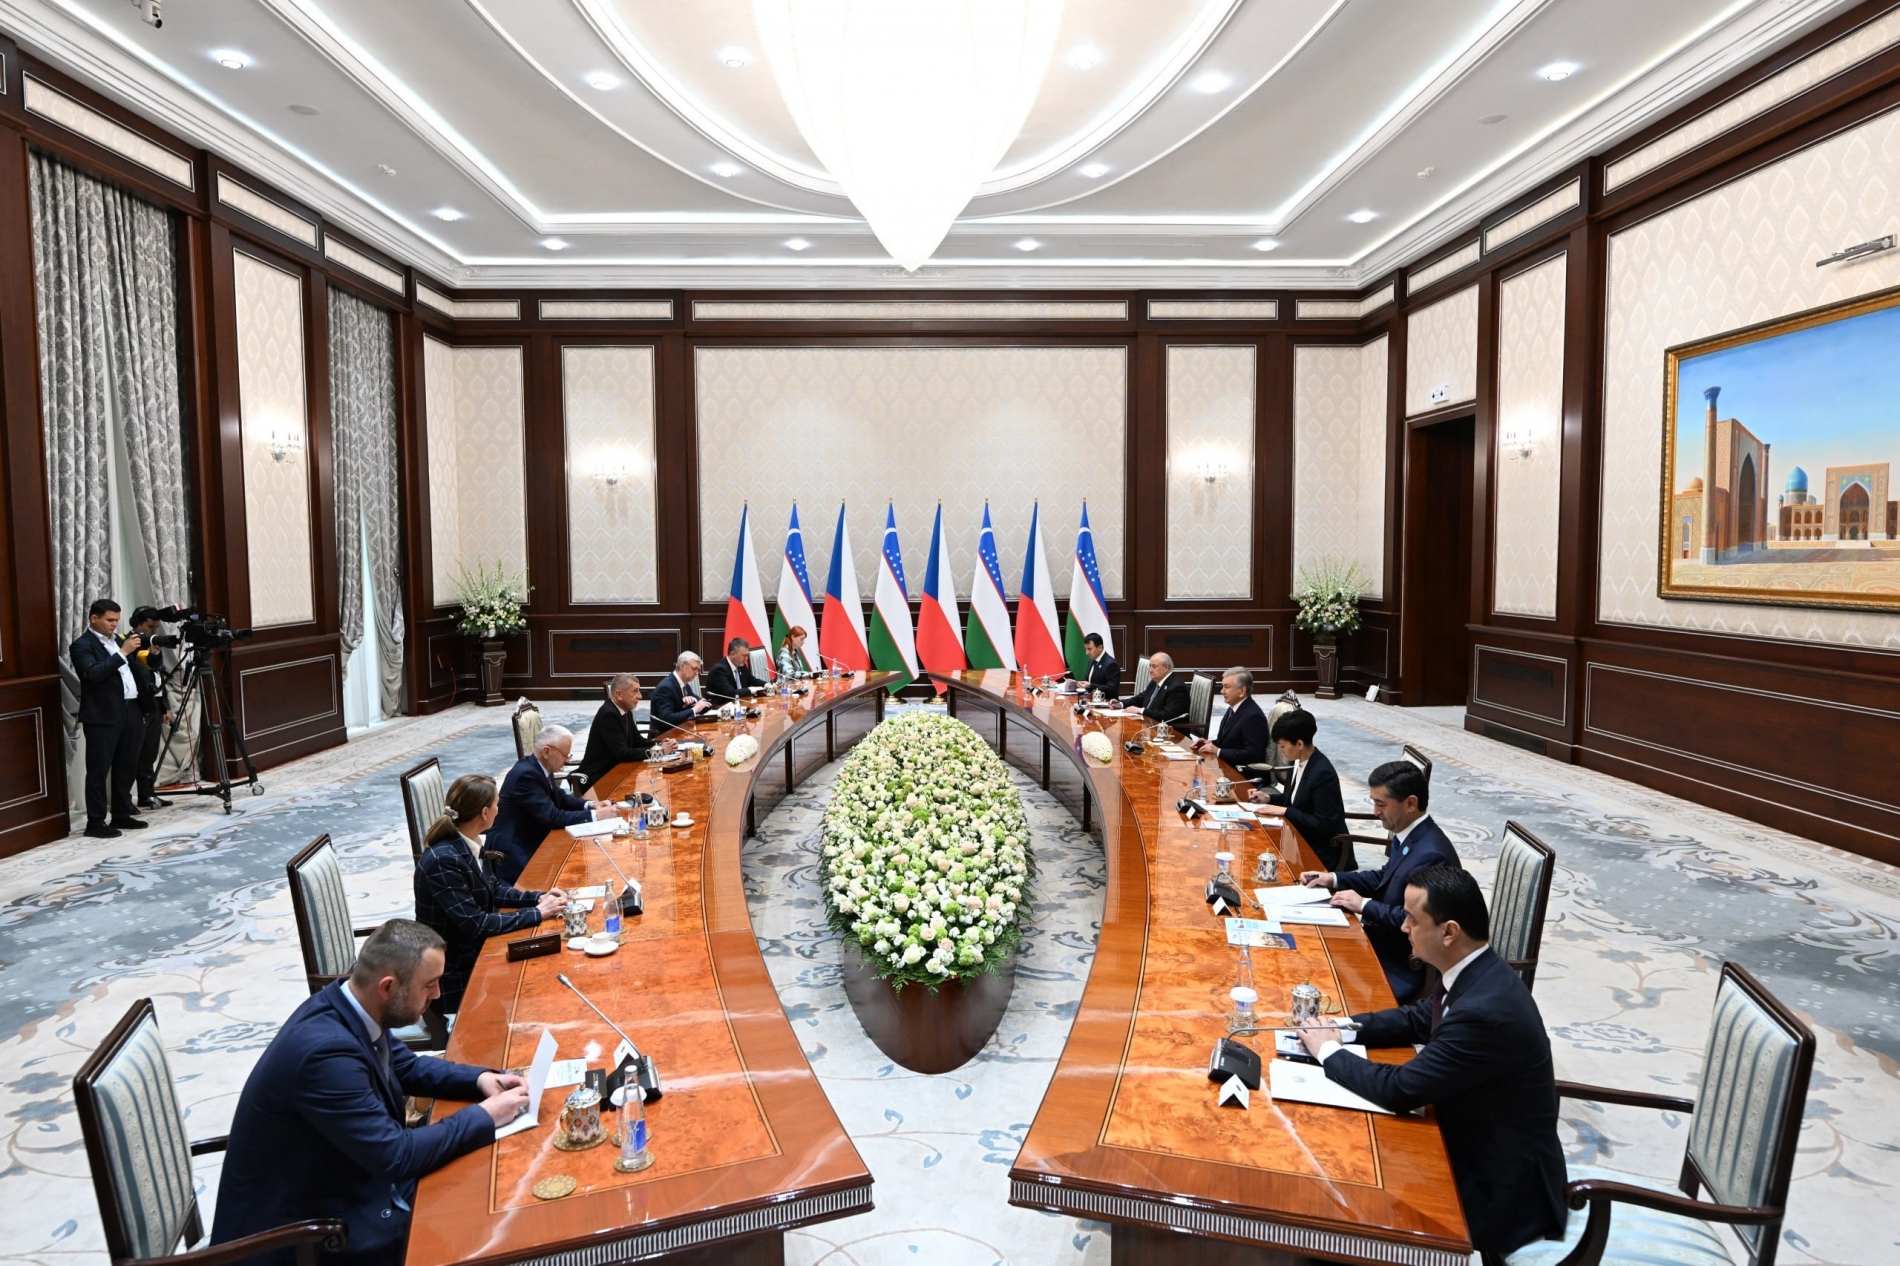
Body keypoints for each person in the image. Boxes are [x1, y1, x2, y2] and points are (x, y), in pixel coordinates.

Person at [211, 920, 531, 1266]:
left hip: (348, 1185)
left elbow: (406, 1067)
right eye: (429, 984)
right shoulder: (325, 1055)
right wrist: (485, 1115)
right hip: (304, 1238)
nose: (437, 994)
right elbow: (396, 1156)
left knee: (484, 1188)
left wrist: (480, 1079)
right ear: (388, 987)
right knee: (485, 1223)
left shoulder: (348, 1006)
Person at [1297, 865, 1565, 1263]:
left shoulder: (1485, 1012)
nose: (1403, 926)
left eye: (1412, 918)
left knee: (1340, 1207)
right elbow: (1419, 1018)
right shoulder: (1476, 969)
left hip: (1497, 1186)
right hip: (1469, 1134)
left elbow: (1400, 1089)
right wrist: (1342, 1028)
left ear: (1449, 931)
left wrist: (1328, 1052)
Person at [1298, 760, 1457, 1002]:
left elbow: (1417, 922)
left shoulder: (1432, 854)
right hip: (1379, 940)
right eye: (1373, 802)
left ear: (1410, 803)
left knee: (1316, 976)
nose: (1375, 812)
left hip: (1401, 962)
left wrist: (1363, 905)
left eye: (1381, 804)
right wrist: (1332, 878)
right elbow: (1385, 877)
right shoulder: (1410, 834)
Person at [414, 774, 568, 1015]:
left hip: (478, 955)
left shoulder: (468, 842)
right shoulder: (443, 861)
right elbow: (476, 924)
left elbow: (493, 889)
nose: (500, 808)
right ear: (485, 813)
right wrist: (537, 913)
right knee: (540, 991)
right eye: (497, 803)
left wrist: (538, 898)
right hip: (456, 978)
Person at [483, 724, 619, 885]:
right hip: (514, 850)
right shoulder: (525, 775)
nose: (567, 760)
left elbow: (560, 797)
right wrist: (596, 816)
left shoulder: (539, 767)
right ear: (547, 751)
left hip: (533, 837)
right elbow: (552, 817)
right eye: (565, 754)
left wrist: (591, 805)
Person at [68, 599, 147, 838]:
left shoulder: (120, 641)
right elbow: (93, 674)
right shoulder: (81, 645)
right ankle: (95, 822)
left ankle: (121, 813)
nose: (114, 625)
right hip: (102, 715)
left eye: (117, 620)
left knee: (127, 765)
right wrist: (123, 653)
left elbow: (136, 672)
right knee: (98, 770)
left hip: (131, 710)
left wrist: (151, 654)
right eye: (110, 620)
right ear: (94, 618)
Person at [1250, 709, 1352, 870]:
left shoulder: (1322, 773)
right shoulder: (1304, 761)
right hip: (1299, 837)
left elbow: (1323, 824)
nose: (1280, 751)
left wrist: (1286, 811)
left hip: (1320, 851)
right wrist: (1268, 798)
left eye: (1282, 746)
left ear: (1299, 744)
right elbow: (1298, 799)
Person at [571, 672, 651, 795]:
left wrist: (661, 744)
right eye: (635, 691)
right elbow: (623, 753)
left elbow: (637, 741)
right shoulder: (608, 714)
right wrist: (657, 751)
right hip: (598, 779)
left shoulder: (625, 709)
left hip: (618, 772)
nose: (640, 696)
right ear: (619, 694)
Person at [126, 606, 172, 810]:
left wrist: (164, 707)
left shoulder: (154, 644)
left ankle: (147, 794)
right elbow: (139, 675)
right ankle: (125, 800)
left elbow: (158, 676)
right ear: (137, 624)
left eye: (156, 627)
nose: (154, 631)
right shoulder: (129, 644)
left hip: (155, 703)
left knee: (149, 753)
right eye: (150, 626)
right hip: (138, 704)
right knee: (133, 754)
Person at [1187, 667, 1267, 770]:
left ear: (1242, 691)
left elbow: (1253, 755)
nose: (1222, 691)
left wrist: (1218, 751)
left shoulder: (1254, 717)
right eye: (1223, 686)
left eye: (1227, 687)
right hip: (1226, 767)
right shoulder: (1234, 708)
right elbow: (1229, 742)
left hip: (1243, 774)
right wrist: (1210, 743)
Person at [649, 651, 712, 733]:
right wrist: (694, 710)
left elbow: (707, 705)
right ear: (682, 666)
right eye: (694, 669)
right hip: (665, 736)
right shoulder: (666, 687)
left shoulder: (685, 685)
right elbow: (667, 719)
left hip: (682, 731)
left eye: (699, 670)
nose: (697, 673)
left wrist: (694, 701)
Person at [1124, 652, 1191, 729]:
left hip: (1170, 731)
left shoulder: (1177, 688)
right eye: (1150, 666)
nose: (1150, 670)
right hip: (1149, 725)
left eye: (1154, 666)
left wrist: (1141, 710)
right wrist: (1120, 704)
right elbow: (1141, 698)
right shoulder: (1155, 681)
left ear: (1166, 668)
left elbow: (1168, 716)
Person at [704, 637, 765, 703]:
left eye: (747, 655)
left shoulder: (741, 665)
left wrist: (766, 685)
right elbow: (730, 694)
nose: (746, 658)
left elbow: (752, 680)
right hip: (721, 706)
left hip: (741, 703)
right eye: (744, 655)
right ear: (733, 654)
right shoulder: (719, 670)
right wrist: (751, 690)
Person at [1079, 632, 1120, 698]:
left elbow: (1112, 689)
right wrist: (1076, 683)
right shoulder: (1091, 660)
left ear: (1100, 647)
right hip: (1091, 699)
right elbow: (1087, 679)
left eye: (1089, 649)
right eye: (1086, 649)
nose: (1087, 653)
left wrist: (1090, 685)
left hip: (1107, 701)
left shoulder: (1111, 664)